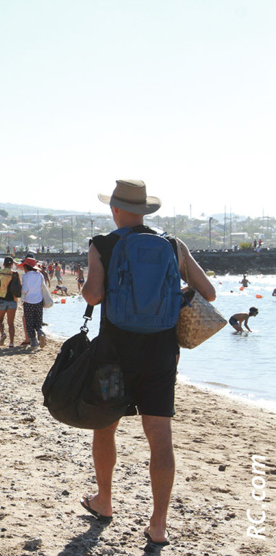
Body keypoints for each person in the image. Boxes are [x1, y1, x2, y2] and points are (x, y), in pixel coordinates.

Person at [80, 179, 216, 547]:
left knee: (105, 427)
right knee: (160, 437)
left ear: (115, 210)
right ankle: (158, 525)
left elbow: (92, 295)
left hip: (113, 355)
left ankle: (104, 501)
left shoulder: (103, 244)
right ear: (145, 211)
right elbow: (209, 292)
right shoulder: (173, 244)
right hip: (160, 354)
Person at [20, 256, 46, 348]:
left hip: (28, 301)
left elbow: (25, 289)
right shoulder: (40, 275)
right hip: (39, 301)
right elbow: (43, 286)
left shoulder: (25, 276)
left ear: (26, 267)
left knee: (29, 323)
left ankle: (34, 342)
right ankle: (40, 333)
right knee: (38, 322)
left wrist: (22, 299)